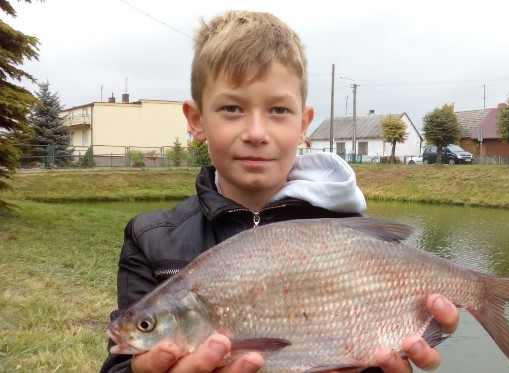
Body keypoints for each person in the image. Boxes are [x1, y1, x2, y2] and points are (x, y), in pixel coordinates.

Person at [99, 10, 459, 373]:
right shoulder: (150, 239)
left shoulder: (350, 234)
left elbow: (374, 349)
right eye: (232, 108)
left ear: (304, 124)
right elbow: (118, 365)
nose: (256, 131)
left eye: (278, 110)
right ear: (196, 120)